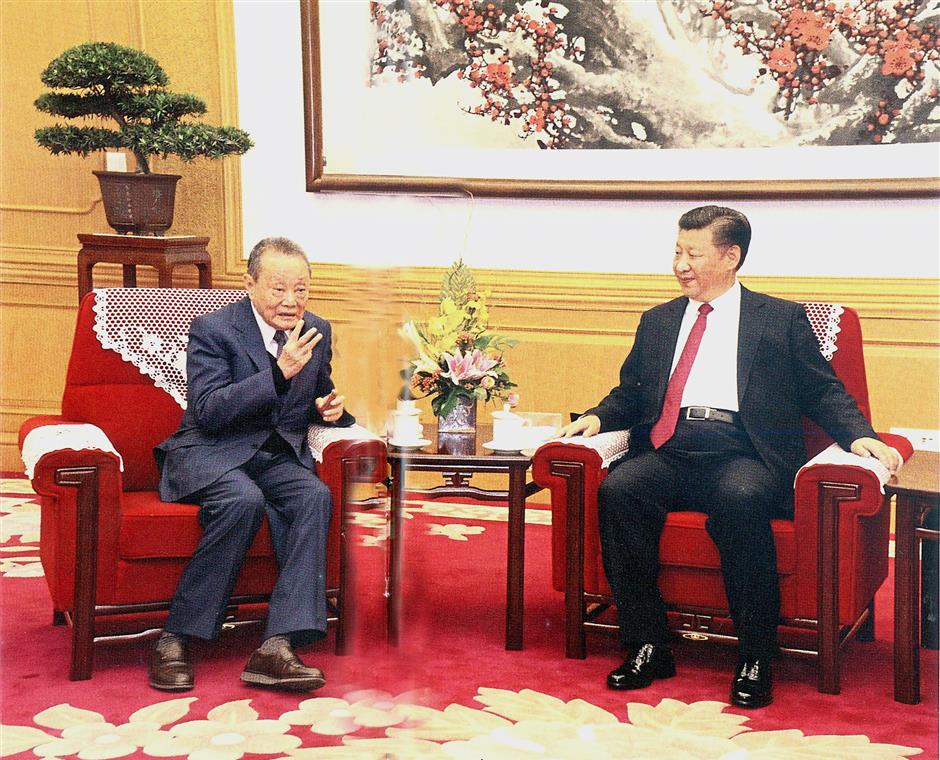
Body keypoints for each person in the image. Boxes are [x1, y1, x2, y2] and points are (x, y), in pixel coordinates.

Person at [561, 206, 899, 709]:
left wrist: (859, 435)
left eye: (693, 254)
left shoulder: (780, 319)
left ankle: (755, 655)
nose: (680, 265)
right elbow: (632, 391)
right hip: (673, 445)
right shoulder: (657, 320)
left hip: (745, 450)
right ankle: (648, 644)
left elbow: (822, 391)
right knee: (621, 490)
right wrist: (597, 416)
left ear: (731, 256)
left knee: (739, 498)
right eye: (677, 251)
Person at [150, 237, 352, 692]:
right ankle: (175, 636)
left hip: (272, 455)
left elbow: (318, 392)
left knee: (313, 495)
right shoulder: (214, 330)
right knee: (243, 499)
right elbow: (208, 410)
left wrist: (329, 410)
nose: (290, 301)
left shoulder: (316, 330)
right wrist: (278, 373)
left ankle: (277, 645)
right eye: (278, 288)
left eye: (301, 289)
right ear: (250, 284)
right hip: (210, 450)